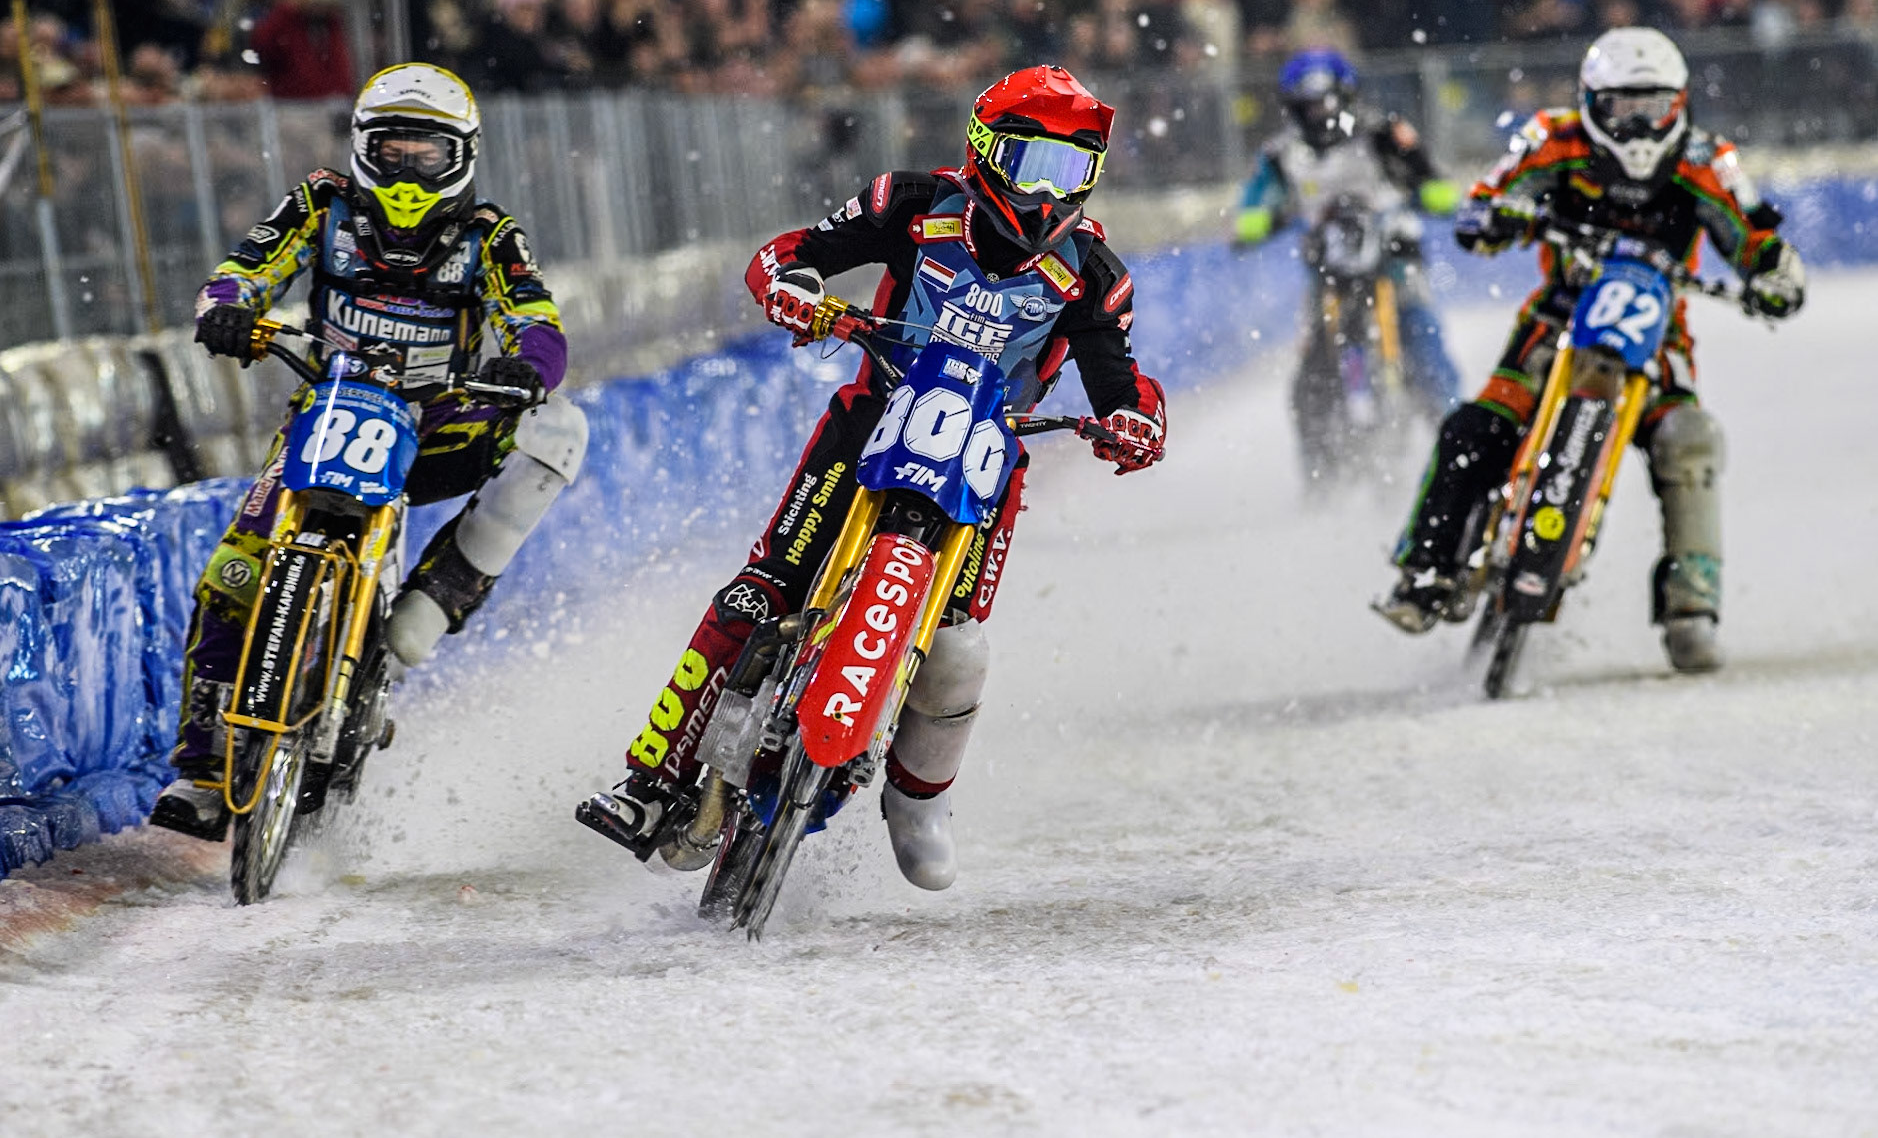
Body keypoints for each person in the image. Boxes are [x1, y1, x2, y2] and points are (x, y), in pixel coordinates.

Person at [581, 65, 1166, 891]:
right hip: (869, 418)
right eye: (1030, 164)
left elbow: (1120, 381)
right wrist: (793, 289)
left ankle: (918, 800)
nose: (1044, 193)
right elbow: (796, 252)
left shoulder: (1095, 275)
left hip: (988, 457)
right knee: (761, 590)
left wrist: (1135, 420)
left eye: (1067, 172)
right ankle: (649, 778)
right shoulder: (913, 202)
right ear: (986, 153)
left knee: (958, 646)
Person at [151, 63, 590, 839]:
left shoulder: (490, 234)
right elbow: (243, 269)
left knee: (563, 428)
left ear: (463, 155)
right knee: (232, 573)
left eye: (429, 153)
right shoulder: (319, 204)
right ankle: (202, 770)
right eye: (393, 150)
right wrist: (225, 309)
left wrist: (527, 365)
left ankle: (445, 588)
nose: (409, 170)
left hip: (443, 423)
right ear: (362, 147)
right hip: (325, 410)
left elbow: (538, 318)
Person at [1374, 27, 1805, 672]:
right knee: (1476, 427)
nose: (1637, 127)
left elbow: (1754, 233)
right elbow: (1487, 198)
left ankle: (1692, 606)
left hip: (1658, 332)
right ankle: (1424, 571)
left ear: (1679, 104)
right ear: (1590, 103)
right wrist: (1495, 218)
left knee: (1688, 439)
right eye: (1621, 109)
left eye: (1652, 108)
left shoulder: (1707, 161)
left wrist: (1776, 273)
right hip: (1557, 317)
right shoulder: (1551, 138)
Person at [1233, 48, 1463, 481]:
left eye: (1327, 102)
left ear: (1347, 96)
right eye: (1309, 105)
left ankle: (1460, 454)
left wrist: (1432, 194)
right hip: (1329, 276)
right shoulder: (1283, 153)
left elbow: (1432, 178)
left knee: (1427, 352)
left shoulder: (1383, 133)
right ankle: (1320, 474)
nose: (1320, 114)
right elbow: (1253, 203)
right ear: (1293, 108)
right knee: (1310, 382)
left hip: (1393, 263)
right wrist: (1257, 221)